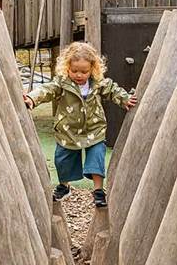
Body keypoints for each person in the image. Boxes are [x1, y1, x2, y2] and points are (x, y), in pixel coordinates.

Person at [24, 42, 137, 207]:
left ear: (92, 69)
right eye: (74, 70)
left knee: (96, 157)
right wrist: (32, 98)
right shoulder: (62, 83)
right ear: (67, 67)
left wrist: (125, 99)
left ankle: (98, 190)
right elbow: (47, 90)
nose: (79, 75)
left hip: (94, 129)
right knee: (63, 160)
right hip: (68, 131)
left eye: (84, 71)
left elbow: (113, 90)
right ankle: (64, 185)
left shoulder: (98, 83)